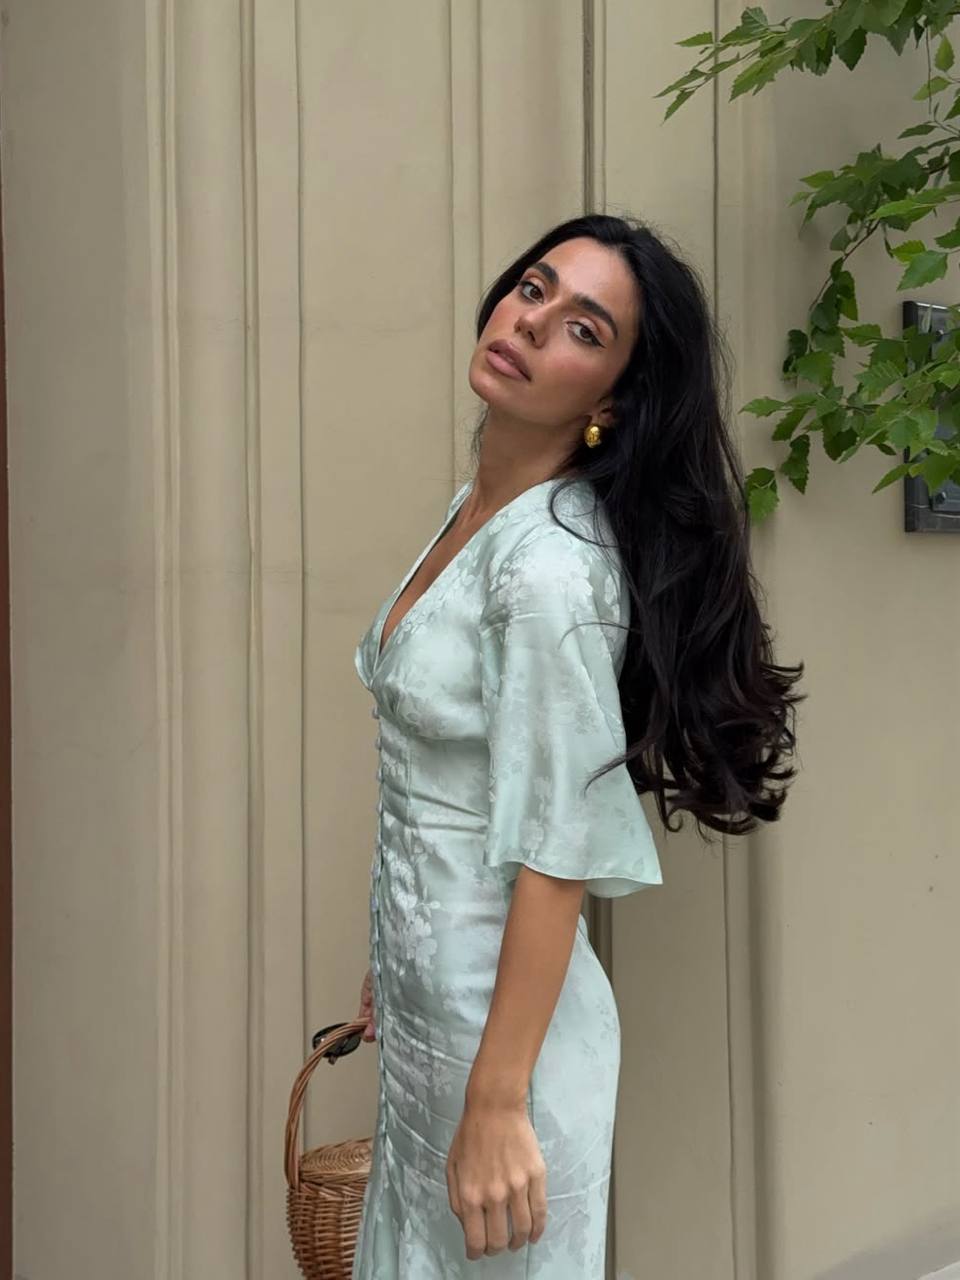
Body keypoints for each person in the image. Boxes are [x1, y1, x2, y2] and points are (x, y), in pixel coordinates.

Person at [350, 213, 805, 1277]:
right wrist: (394, 950)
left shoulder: (549, 569)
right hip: (437, 1018)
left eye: (584, 328)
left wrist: (497, 1103)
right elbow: (445, 791)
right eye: (534, 288)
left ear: (610, 402)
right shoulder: (478, 511)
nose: (531, 321)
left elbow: (557, 849)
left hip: (502, 1057)